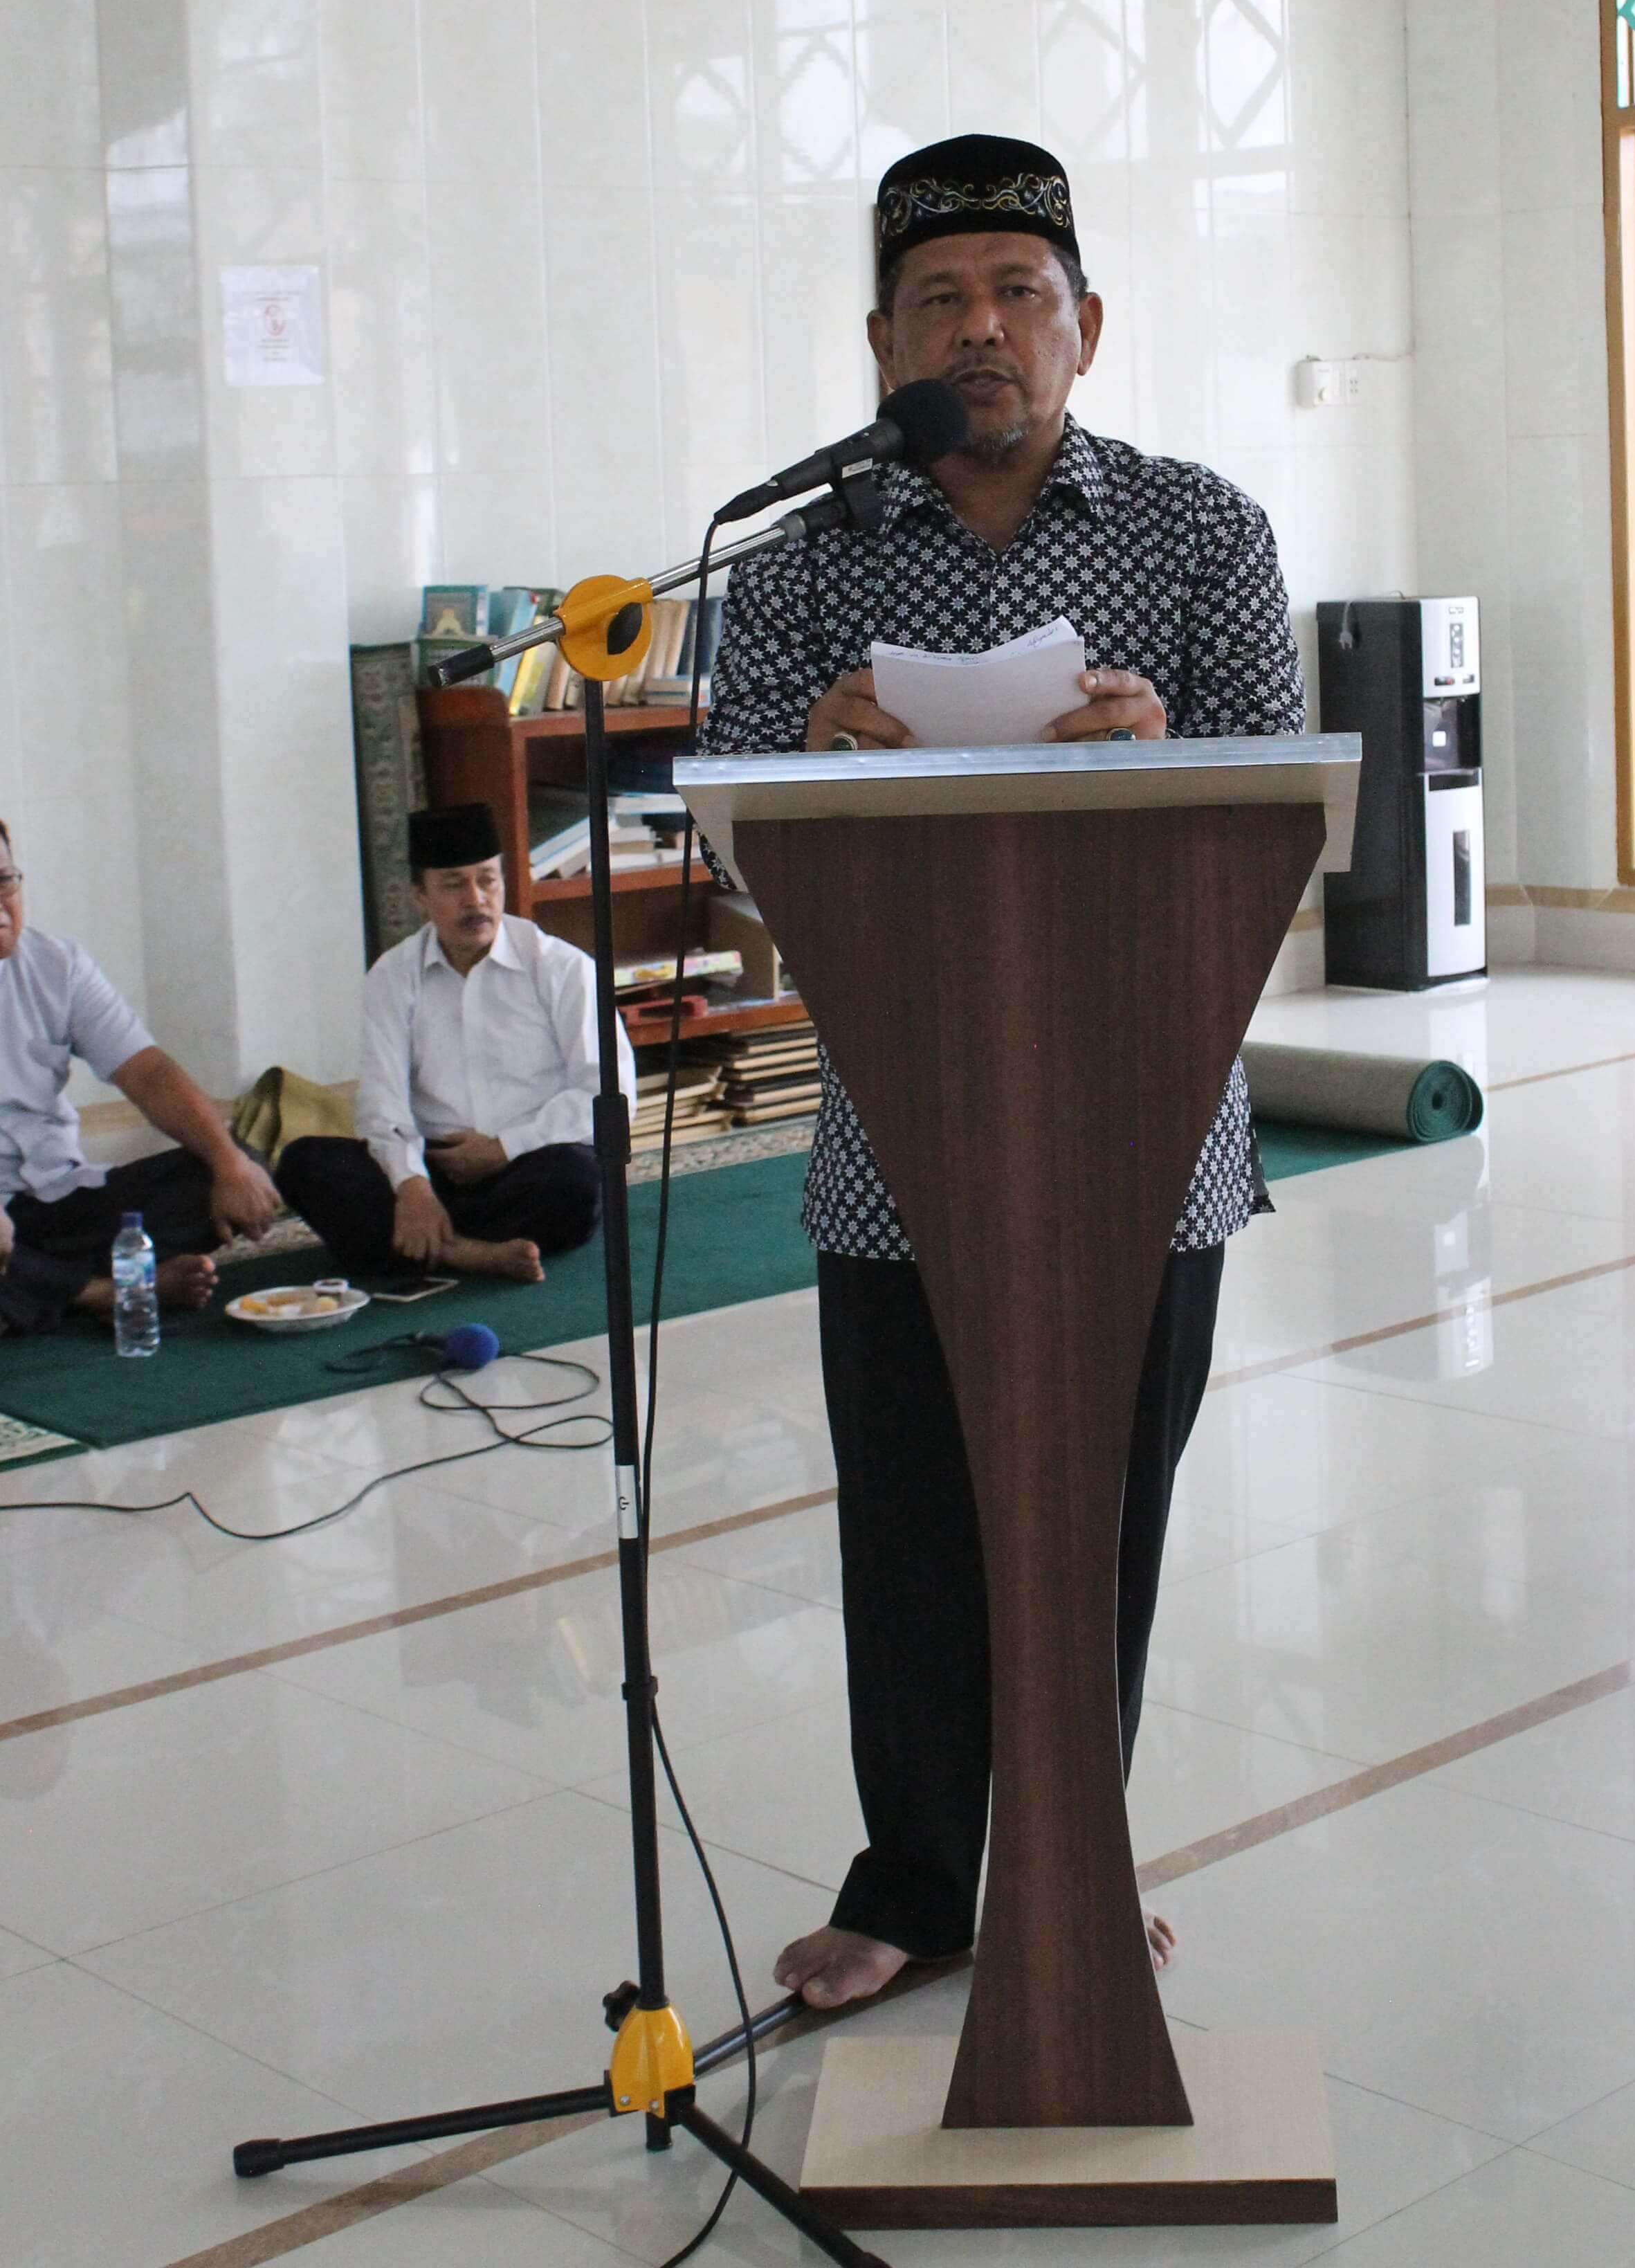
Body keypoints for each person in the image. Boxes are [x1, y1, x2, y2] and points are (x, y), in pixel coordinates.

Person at [703, 133, 1306, 2010]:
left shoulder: (1200, 534)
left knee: (1095, 1520)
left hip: (1144, 1118)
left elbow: (1283, 805)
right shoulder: (799, 564)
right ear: (880, 342)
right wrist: (803, 766)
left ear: (1086, 326)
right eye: (940, 300)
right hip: (904, 1132)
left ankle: (1067, 1867)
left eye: (1018, 295)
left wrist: (1161, 753)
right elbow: (733, 857)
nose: (981, 329)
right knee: (909, 1522)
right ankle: (913, 1883)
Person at [275, 803, 626, 1286]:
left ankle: (418, 1249)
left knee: (578, 1184)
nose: (476, 900)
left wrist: (503, 1148)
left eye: (488, 881)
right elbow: (382, 1101)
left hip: (528, 1161)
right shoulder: (392, 977)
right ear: (421, 896)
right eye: (455, 885)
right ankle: (471, 1254)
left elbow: (607, 1096)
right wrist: (411, 1184)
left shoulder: (562, 969)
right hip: (434, 1167)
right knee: (306, 1164)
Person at [0, 817, 281, 1334]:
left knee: (227, 1168)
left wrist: (228, 1162)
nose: (1, 906)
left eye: (5, 882)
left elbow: (147, 1072)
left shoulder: (56, 965)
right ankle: (104, 1291)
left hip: (58, 1196)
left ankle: (39, 1288)